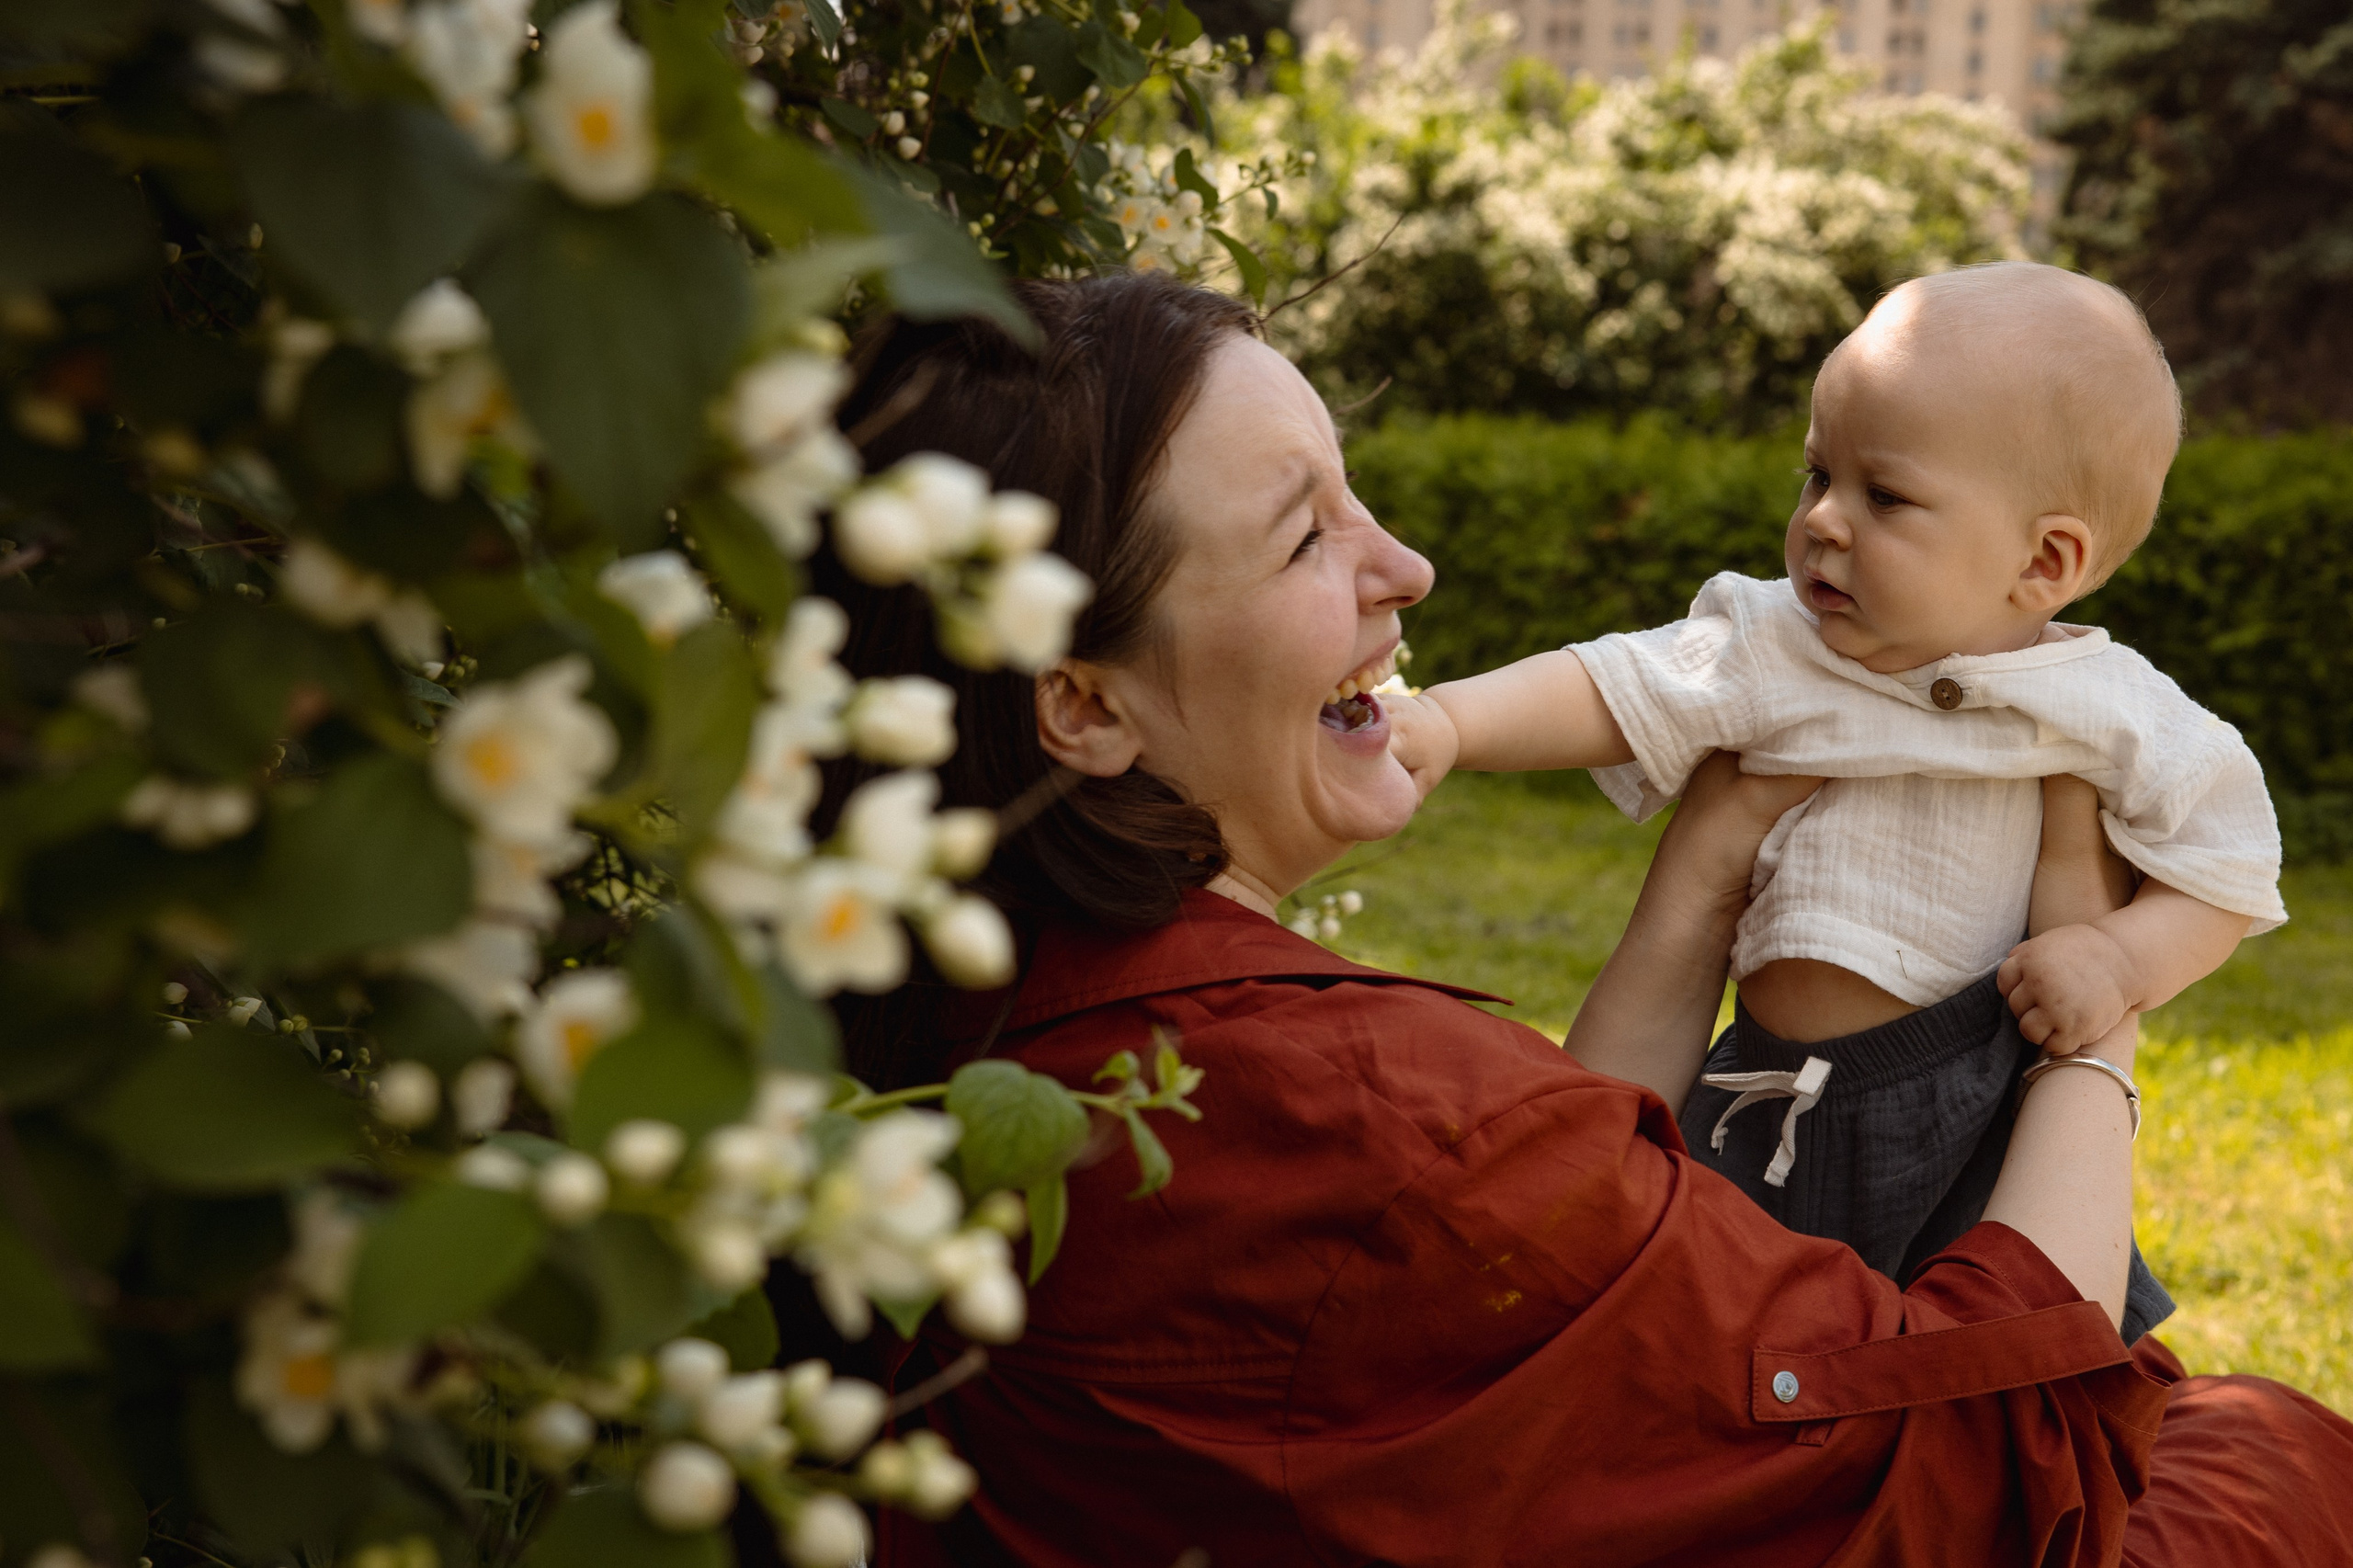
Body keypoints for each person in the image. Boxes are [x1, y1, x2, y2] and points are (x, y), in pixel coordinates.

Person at [783, 271, 2353, 1567]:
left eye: (1358, 497)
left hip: (1876, 1169)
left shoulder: (938, 1044)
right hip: (1941, 1340)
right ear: (1080, 700)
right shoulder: (1368, 1127)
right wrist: (2106, 1027)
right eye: (1304, 534)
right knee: (2272, 1451)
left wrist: (1700, 882)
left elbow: (1607, 1254)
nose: (1409, 561)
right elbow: (1989, 1472)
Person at [1384, 262, 2285, 1345]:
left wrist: (2121, 960)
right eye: (1817, 475)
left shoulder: (2110, 707)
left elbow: (2228, 863)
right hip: (1763, 1096)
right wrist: (1448, 723)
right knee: (1712, 1336)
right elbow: (1613, 683)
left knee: (1995, 1360)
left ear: (2043, 560)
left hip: (1977, 1111)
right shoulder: (1778, 644)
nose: (1822, 522)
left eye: (1884, 495)